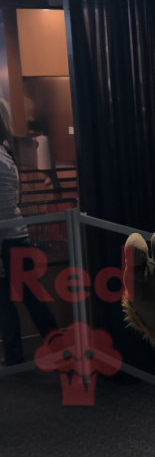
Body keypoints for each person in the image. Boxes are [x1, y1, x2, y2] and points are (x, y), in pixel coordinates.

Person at [0, 100, 58, 366]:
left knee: (5, 301)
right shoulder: (6, 154)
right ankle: (58, 347)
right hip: (18, 236)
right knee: (32, 297)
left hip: (5, 239)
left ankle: (14, 358)